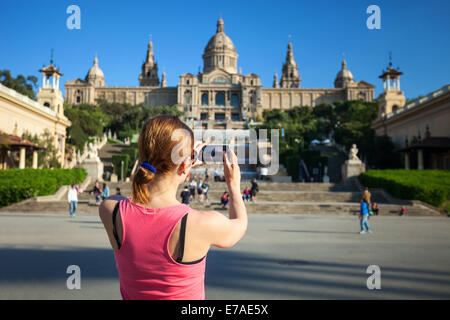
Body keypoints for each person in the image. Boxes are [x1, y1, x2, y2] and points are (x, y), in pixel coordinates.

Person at [99, 115, 247, 300]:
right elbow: (239, 224)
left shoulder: (110, 210)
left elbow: (135, 191)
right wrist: (233, 184)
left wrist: (181, 161)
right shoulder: (201, 223)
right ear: (186, 164)